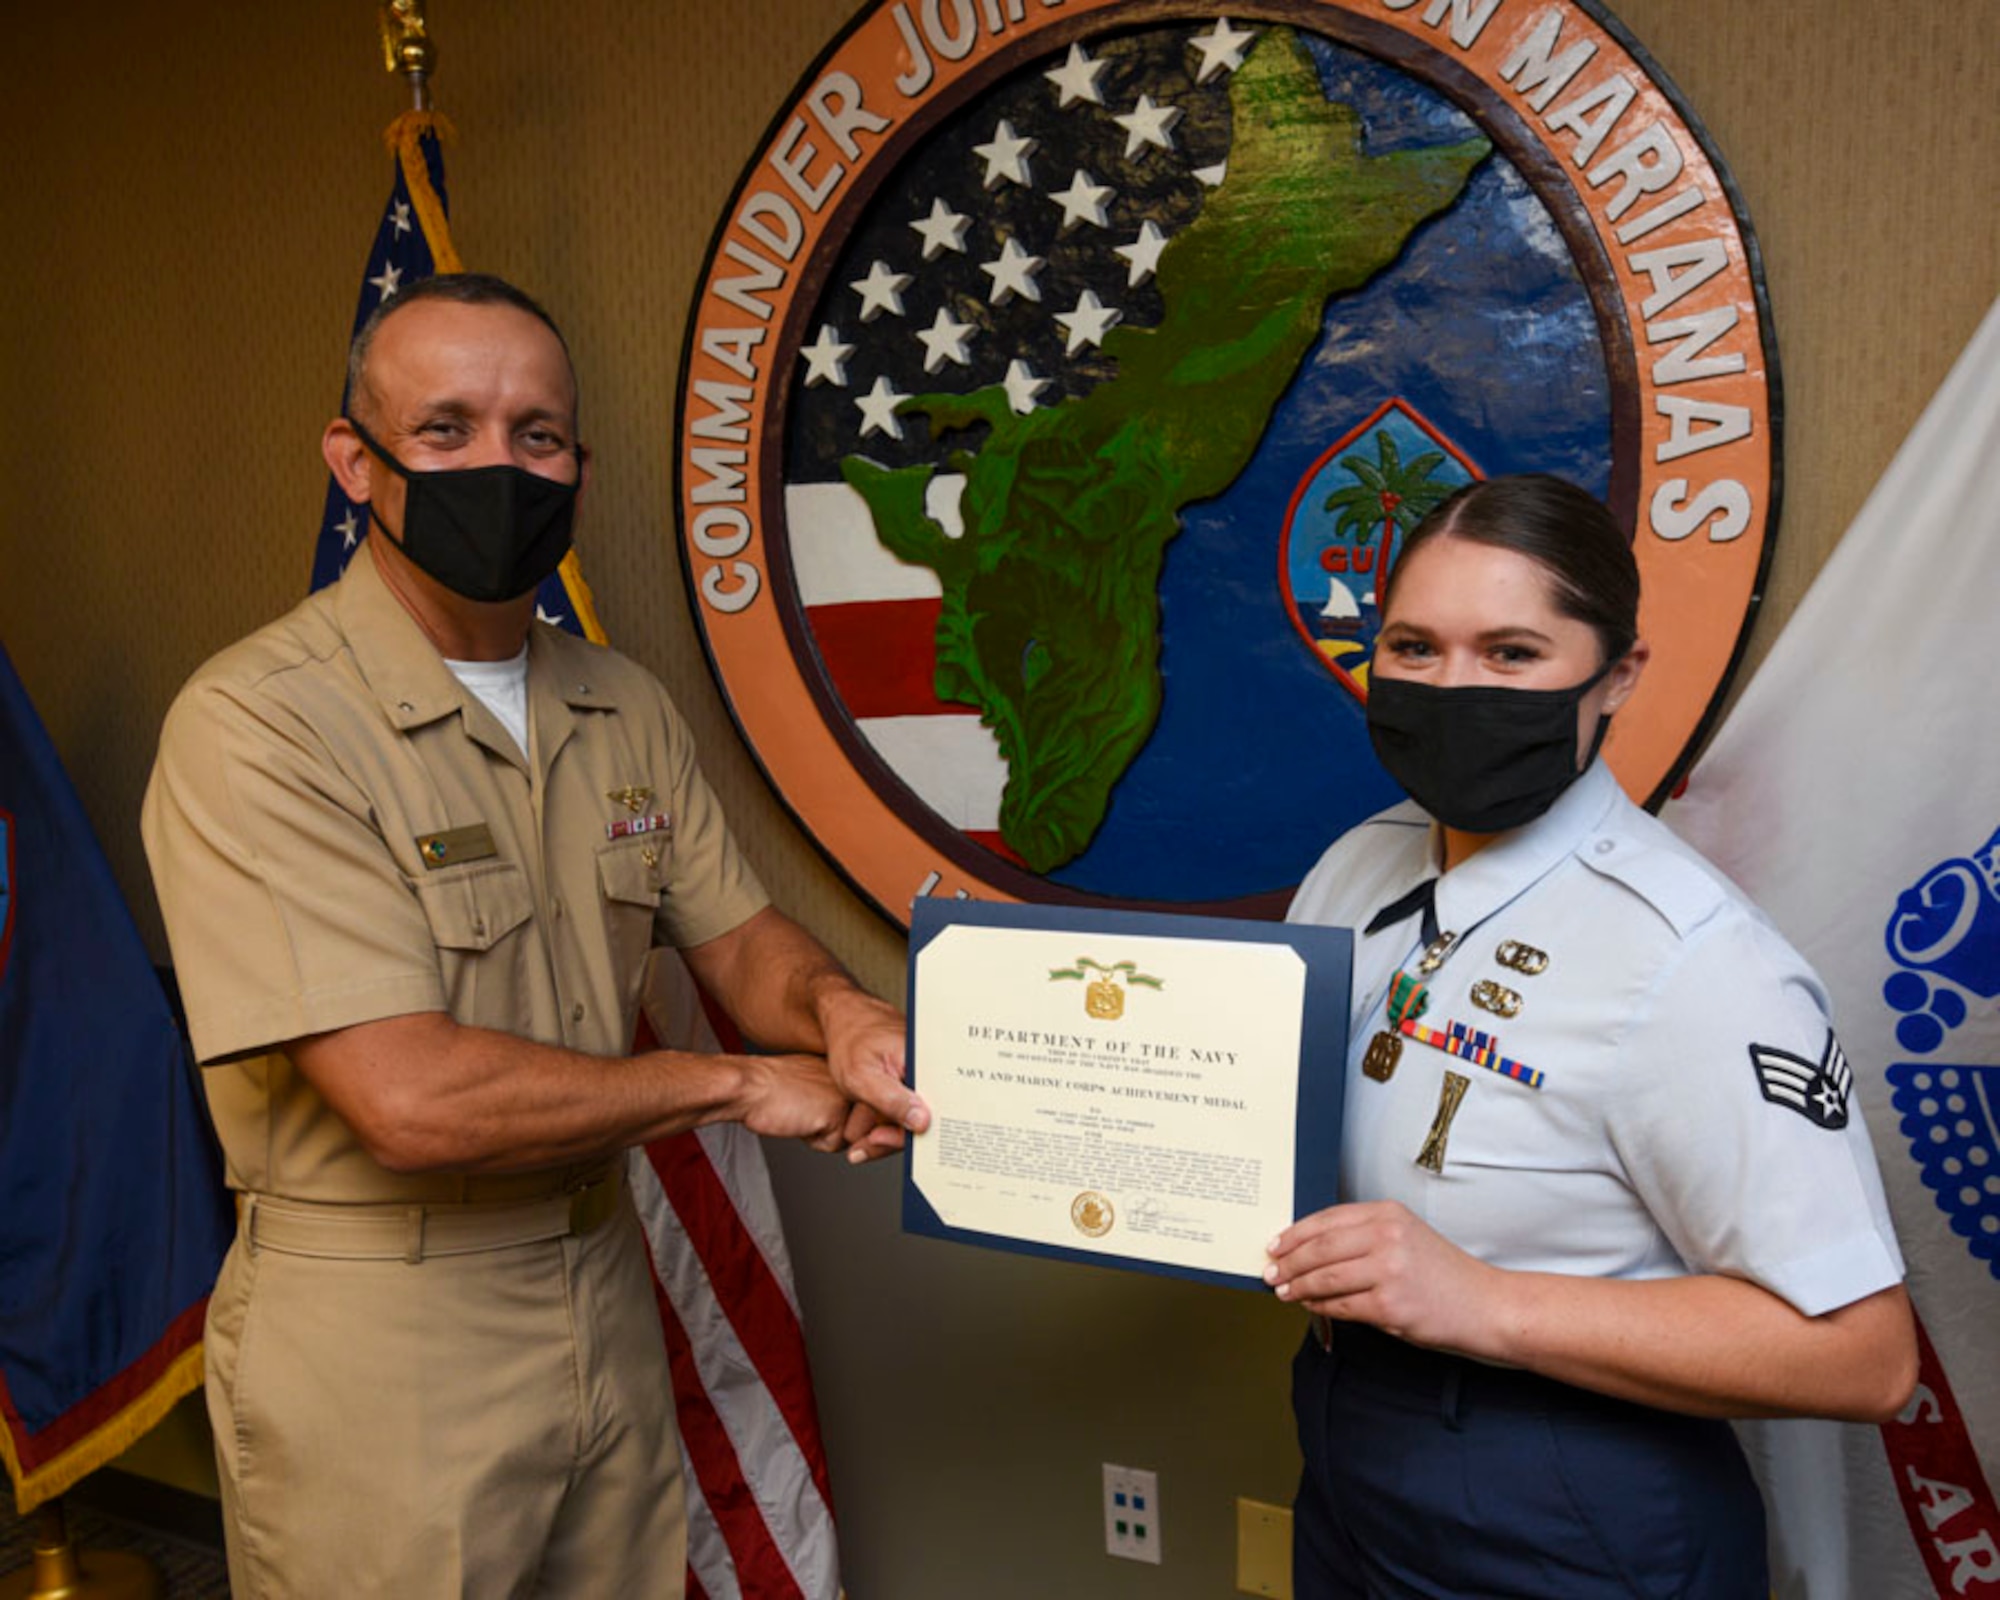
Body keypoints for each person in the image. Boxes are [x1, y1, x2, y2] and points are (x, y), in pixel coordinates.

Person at [141, 272, 924, 1599]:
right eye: (445, 429)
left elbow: (739, 943)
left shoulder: (620, 704)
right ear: (357, 460)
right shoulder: (258, 726)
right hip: (389, 1330)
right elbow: (409, 1101)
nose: (498, 465)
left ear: (577, 466)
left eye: (536, 435)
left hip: (605, 1292)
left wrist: (842, 1014)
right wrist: (738, 1083)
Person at [1267, 474, 1916, 1599]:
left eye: (1510, 653)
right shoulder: (1353, 865)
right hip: (1347, 1442)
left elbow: (1862, 1354)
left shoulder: (1693, 961)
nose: (1451, 686)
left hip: (1567, 1494)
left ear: (1615, 675)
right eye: (1413, 647)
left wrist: (1488, 1299)